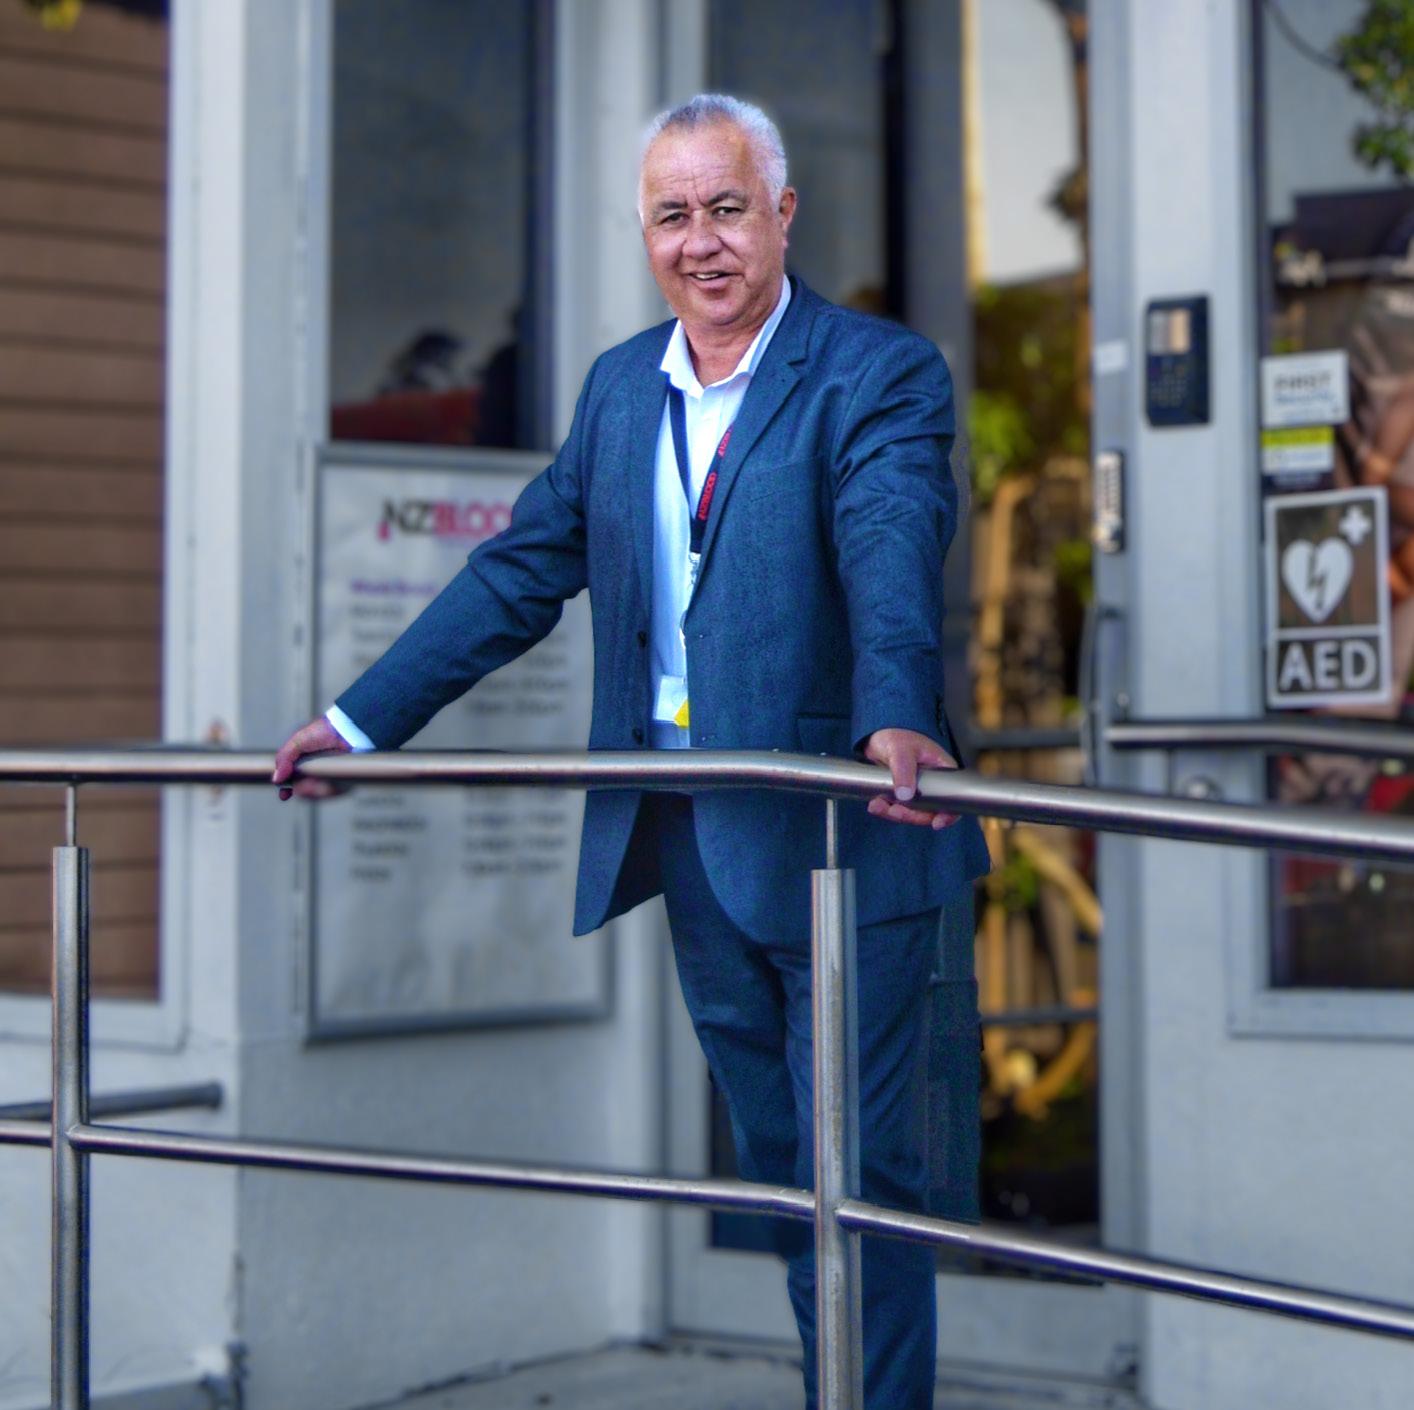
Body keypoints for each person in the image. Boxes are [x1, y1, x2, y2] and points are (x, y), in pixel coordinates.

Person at [274, 93, 990, 1410]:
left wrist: (898, 711)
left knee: (859, 1179)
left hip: (845, 837)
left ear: (783, 214)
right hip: (692, 835)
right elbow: (518, 574)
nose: (699, 240)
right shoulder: (618, 388)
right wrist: (362, 719)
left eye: (727, 207)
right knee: (782, 1173)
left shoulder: (874, 371)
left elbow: (891, 538)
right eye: (672, 214)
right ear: (644, 231)